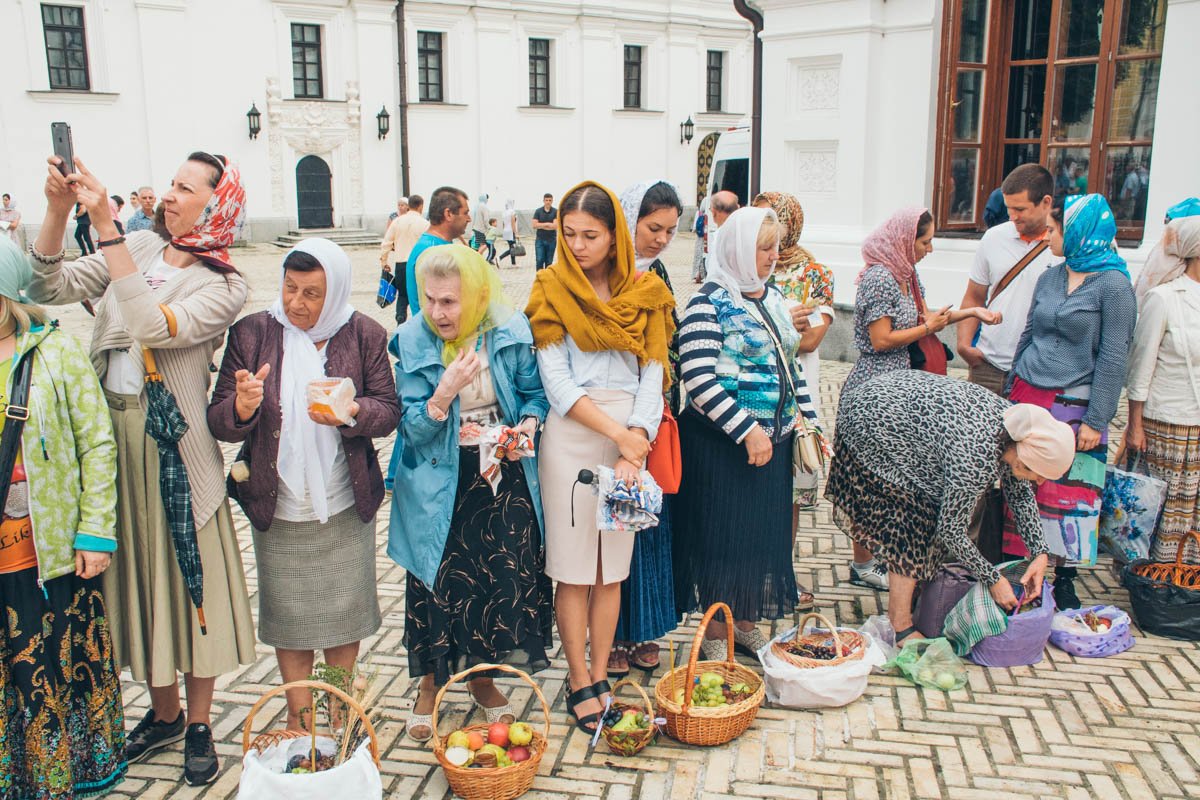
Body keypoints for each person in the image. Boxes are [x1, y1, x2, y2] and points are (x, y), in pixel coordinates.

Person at [28, 151, 257, 786]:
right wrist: (57, 212)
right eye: (171, 184)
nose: (170, 196)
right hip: (111, 437)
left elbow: (150, 325)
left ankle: (200, 723)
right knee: (138, 575)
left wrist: (106, 227)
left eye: (185, 188)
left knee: (189, 580)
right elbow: (47, 287)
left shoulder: (225, 284)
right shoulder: (141, 245)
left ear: (215, 205)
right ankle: (165, 713)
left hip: (178, 448)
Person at [208, 238, 399, 731]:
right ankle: (300, 717)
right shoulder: (253, 332)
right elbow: (220, 419)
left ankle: (339, 709)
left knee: (345, 613)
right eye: (290, 288)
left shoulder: (364, 333)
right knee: (289, 618)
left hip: (342, 500)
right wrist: (242, 407)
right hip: (279, 502)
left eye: (312, 293)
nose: (296, 302)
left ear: (334, 292)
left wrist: (352, 410)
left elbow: (388, 411)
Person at [525, 181, 674, 733]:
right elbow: (558, 385)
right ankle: (576, 677)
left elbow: (653, 373)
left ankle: (599, 673)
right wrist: (622, 436)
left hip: (631, 439)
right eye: (569, 234)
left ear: (614, 236)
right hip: (572, 437)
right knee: (572, 571)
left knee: (612, 570)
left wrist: (636, 441)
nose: (578, 245)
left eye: (590, 235)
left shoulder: (647, 291)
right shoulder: (550, 289)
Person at [389, 244, 553, 741]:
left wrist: (526, 426)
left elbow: (535, 395)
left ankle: (482, 679)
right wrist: (444, 391)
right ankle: (430, 682)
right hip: (440, 479)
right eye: (429, 299)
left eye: (449, 302)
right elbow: (411, 429)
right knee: (438, 581)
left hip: (501, 472)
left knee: (495, 579)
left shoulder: (508, 330)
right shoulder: (412, 341)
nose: (437, 312)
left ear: (477, 296)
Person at [0, 237, 127, 799]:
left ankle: (64, 775)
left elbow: (96, 442)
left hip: (47, 552)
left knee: (52, 663)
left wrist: (95, 531)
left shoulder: (55, 352)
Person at [826, 371, 1075, 640]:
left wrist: (1039, 553)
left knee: (925, 514)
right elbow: (951, 531)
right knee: (914, 518)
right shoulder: (976, 457)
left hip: (897, 406)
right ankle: (900, 625)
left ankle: (911, 595)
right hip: (872, 419)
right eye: (1039, 474)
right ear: (1025, 458)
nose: (1039, 482)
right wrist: (993, 580)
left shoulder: (1016, 434)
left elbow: (1020, 495)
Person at [675, 206, 819, 661]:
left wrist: (809, 421)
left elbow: (790, 365)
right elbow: (698, 380)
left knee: (759, 539)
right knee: (724, 541)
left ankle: (746, 624)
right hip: (723, 449)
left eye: (775, 247)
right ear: (737, 248)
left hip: (774, 444)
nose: (773, 256)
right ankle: (716, 633)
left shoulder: (771, 297)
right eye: (763, 248)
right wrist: (747, 430)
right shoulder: (708, 303)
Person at [1004, 194, 1138, 609]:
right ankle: (1017, 568)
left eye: (1054, 230)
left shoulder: (1114, 286)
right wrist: (1010, 388)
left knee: (1068, 493)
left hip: (1075, 405)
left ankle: (1063, 576)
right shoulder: (1050, 277)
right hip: (1029, 392)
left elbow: (1114, 356)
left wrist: (1097, 419)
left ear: (1079, 234)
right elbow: (1029, 333)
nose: (1047, 236)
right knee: (1022, 483)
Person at [603, 179, 684, 677]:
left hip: (651, 417)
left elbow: (666, 350)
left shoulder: (659, 275)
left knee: (647, 523)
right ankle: (610, 634)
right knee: (613, 524)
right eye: (653, 227)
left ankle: (642, 628)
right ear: (628, 219)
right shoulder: (604, 275)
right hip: (607, 418)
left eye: (670, 231)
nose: (661, 239)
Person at [1120, 216, 1200, 564]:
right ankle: (1154, 576)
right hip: (1168, 422)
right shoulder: (1164, 298)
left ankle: (1188, 576)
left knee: (1193, 511)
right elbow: (1141, 367)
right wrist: (1134, 425)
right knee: (1164, 508)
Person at [752, 191, 835, 515]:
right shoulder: (747, 267)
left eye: (770, 218)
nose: (761, 225)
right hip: (755, 387)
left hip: (797, 385)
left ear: (789, 223)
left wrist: (760, 331)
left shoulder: (815, 274)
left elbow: (811, 339)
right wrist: (784, 325)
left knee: (791, 489)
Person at [957, 165, 1060, 396]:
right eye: (1008, 208)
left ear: (1046, 202)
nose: (1012, 216)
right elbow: (974, 295)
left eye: (1020, 209)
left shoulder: (1064, 245)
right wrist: (964, 344)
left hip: (1037, 371)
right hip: (987, 365)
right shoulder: (994, 238)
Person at [404, 186, 471, 318]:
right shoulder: (432, 251)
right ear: (448, 214)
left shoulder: (439, 245)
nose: (469, 219)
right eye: (465, 213)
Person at [380, 193, 429, 324]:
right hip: (419, 263)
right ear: (421, 206)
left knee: (402, 294)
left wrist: (384, 261)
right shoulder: (425, 224)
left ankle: (400, 319)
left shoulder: (397, 221)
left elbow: (386, 243)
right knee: (419, 295)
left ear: (408, 206)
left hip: (401, 263)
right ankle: (420, 322)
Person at [704, 190, 739, 275]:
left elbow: (714, 270)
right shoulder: (743, 233)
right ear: (738, 208)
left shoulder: (720, 237)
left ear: (714, 212)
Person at [532, 193, 558, 270]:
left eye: (550, 200)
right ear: (543, 201)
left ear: (552, 201)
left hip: (551, 240)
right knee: (539, 260)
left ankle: (547, 277)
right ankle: (539, 277)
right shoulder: (538, 211)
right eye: (546, 200)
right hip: (540, 240)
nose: (548, 202)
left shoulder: (555, 211)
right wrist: (548, 224)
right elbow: (534, 225)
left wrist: (541, 225)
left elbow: (555, 226)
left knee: (549, 262)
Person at [498, 199, 520, 267]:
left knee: (511, 247)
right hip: (511, 231)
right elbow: (513, 223)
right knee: (512, 249)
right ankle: (499, 258)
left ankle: (513, 264)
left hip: (506, 231)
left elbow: (503, 224)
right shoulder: (512, 212)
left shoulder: (504, 212)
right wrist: (516, 233)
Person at [693, 195, 709, 283]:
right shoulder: (708, 215)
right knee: (703, 255)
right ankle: (700, 275)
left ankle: (697, 274)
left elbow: (694, 228)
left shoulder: (698, 213)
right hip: (705, 236)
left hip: (699, 237)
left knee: (698, 255)